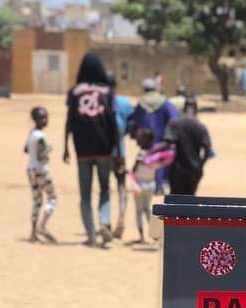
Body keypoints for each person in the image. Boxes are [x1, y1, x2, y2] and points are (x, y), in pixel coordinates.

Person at [64, 52, 120, 246]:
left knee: (85, 194)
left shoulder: (75, 92)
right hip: (104, 148)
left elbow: (69, 121)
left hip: (82, 150)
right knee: (105, 189)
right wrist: (118, 150)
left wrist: (65, 147)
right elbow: (113, 123)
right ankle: (104, 222)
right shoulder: (107, 92)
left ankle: (90, 235)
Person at [127, 77, 180, 193]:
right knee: (159, 160)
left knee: (147, 161)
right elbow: (175, 117)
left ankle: (147, 186)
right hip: (162, 137)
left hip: (146, 139)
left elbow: (134, 119)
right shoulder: (164, 102)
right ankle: (159, 186)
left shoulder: (141, 103)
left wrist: (135, 133)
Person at [127, 127, 174, 243]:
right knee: (147, 209)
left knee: (138, 211)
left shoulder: (141, 154)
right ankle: (155, 235)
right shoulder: (155, 155)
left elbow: (134, 169)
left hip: (139, 185)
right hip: (151, 184)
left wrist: (128, 175)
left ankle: (142, 237)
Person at [164, 97, 212, 195]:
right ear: (196, 109)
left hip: (177, 170)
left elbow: (168, 144)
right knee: (190, 200)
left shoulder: (175, 124)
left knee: (175, 201)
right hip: (194, 170)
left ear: (184, 108)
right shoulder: (201, 127)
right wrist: (200, 164)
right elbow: (207, 151)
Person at [24, 107, 57, 243]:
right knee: (52, 198)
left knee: (37, 201)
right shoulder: (41, 136)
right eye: (43, 118)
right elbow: (42, 156)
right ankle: (42, 226)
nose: (45, 120)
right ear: (37, 120)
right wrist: (48, 150)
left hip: (30, 170)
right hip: (41, 170)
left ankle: (33, 233)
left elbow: (26, 149)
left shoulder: (32, 133)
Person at [107, 72, 134, 239]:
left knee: (104, 188)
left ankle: (105, 222)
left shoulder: (99, 103)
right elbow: (131, 125)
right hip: (120, 153)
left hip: (102, 153)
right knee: (122, 186)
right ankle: (122, 217)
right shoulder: (124, 103)